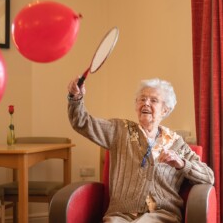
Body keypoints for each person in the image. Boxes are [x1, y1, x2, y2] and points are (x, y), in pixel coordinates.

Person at [67, 77, 214, 223]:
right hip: (120, 215)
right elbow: (82, 123)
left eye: (153, 100)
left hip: (162, 215)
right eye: (142, 99)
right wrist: (76, 98)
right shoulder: (119, 131)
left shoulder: (176, 143)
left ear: (165, 110)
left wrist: (182, 163)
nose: (146, 103)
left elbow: (208, 176)